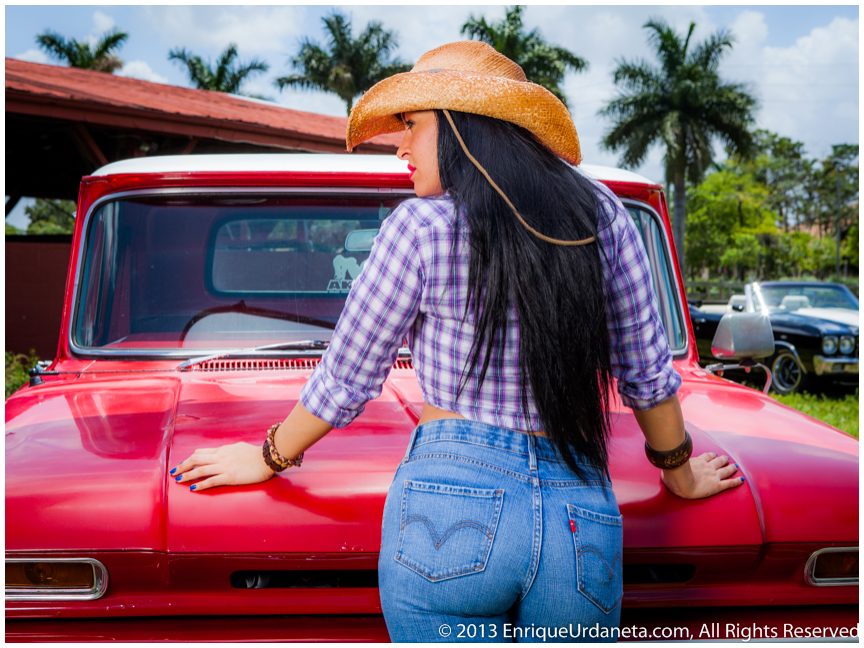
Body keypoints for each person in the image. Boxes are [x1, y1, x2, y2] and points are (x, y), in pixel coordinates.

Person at [171, 41, 743, 642]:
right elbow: (645, 374)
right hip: (583, 515)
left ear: (465, 130)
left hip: (451, 505)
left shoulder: (422, 225)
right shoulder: (602, 216)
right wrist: (679, 473)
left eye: (413, 126)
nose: (400, 147)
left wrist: (266, 457)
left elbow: (348, 376)